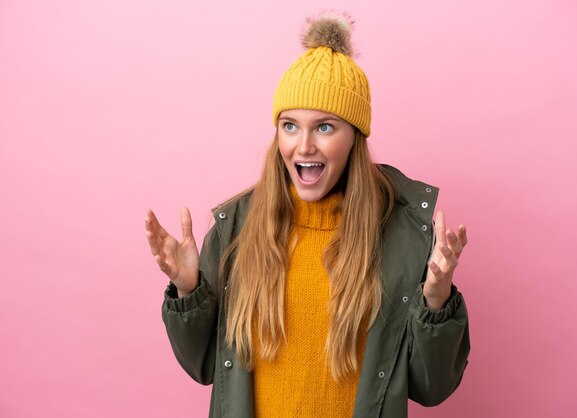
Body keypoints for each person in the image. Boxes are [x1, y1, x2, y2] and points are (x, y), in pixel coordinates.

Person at [145, 11, 470, 418]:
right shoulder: (237, 229)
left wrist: (436, 301)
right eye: (290, 126)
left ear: (355, 136)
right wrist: (188, 290)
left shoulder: (402, 233)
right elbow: (205, 365)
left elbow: (431, 387)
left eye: (325, 127)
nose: (304, 146)